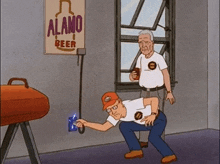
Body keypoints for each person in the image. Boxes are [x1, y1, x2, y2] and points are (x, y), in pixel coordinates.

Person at [76, 91, 177, 163]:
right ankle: (136, 150)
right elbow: (104, 127)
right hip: (144, 123)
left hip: (158, 120)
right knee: (124, 126)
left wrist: (153, 114)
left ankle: (169, 155)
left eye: (114, 107)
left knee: (153, 137)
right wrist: (86, 123)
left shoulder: (132, 105)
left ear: (120, 102)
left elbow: (154, 100)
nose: (112, 111)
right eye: (109, 109)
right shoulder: (114, 115)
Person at [129, 30, 175, 148]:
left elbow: (165, 74)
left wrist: (169, 92)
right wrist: (132, 76)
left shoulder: (158, 58)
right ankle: (143, 140)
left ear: (152, 43)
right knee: (142, 114)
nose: (143, 45)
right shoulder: (140, 58)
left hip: (158, 91)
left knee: (159, 116)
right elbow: (136, 74)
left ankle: (159, 138)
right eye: (140, 42)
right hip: (144, 91)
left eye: (146, 42)